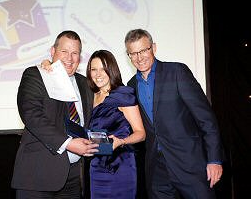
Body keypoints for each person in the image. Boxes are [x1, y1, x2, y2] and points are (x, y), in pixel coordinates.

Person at [124, 29, 224, 199]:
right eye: (133, 53)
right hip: (157, 170)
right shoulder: (131, 85)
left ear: (153, 48)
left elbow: (206, 118)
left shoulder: (177, 72)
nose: (139, 58)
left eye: (143, 50)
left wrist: (214, 159)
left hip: (190, 164)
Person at [11, 30, 99, 199]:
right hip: (37, 176)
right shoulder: (36, 74)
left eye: (75, 53)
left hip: (74, 177)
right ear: (53, 51)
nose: (70, 58)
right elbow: (31, 114)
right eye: (64, 51)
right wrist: (68, 143)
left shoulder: (85, 83)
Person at [86, 50, 146, 199]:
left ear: (111, 69)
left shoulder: (122, 94)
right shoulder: (89, 95)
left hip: (120, 165)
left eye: (102, 68)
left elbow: (141, 133)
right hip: (96, 165)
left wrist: (122, 141)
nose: (98, 74)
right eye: (94, 69)